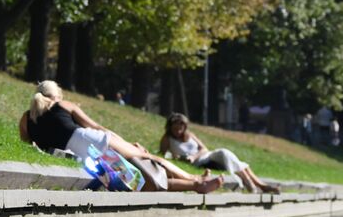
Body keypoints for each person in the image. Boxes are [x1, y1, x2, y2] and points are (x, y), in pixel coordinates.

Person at [18, 81, 222, 194]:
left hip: (84, 156)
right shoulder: (63, 105)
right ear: (57, 95)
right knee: (151, 158)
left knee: (142, 185)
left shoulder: (27, 118)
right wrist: (124, 144)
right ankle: (196, 180)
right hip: (94, 143)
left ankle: (198, 185)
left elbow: (28, 143)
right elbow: (95, 127)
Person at [158, 113, 280, 194]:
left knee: (229, 156)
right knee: (226, 154)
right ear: (170, 127)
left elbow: (204, 148)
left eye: (181, 128)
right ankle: (257, 185)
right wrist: (178, 158)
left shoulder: (190, 135)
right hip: (199, 163)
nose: (179, 131)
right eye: (175, 128)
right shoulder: (167, 138)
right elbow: (163, 154)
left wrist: (193, 156)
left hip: (204, 157)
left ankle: (259, 185)